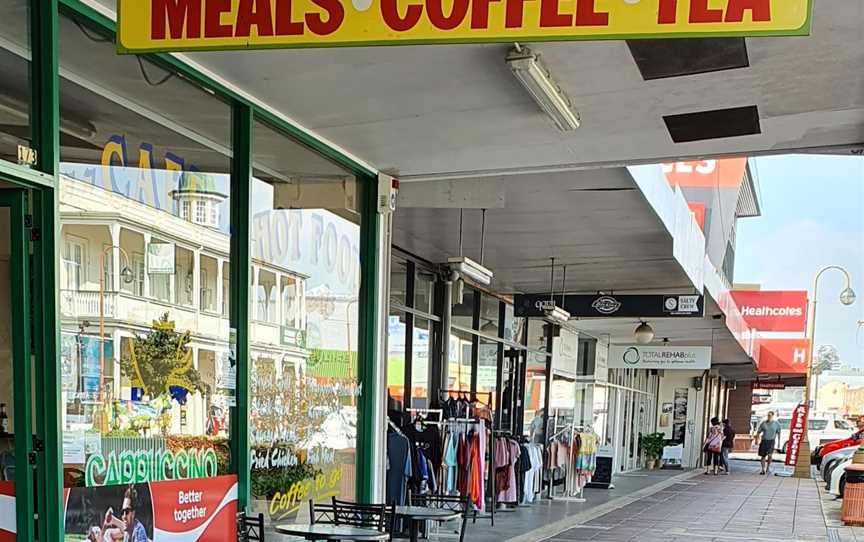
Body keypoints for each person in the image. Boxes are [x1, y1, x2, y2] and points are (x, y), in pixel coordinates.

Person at [755, 411, 782, 475]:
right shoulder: (764, 423)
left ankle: (768, 467)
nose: (769, 416)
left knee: (770, 455)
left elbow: (779, 433)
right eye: (768, 415)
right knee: (763, 456)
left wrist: (779, 443)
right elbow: (758, 432)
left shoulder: (776, 424)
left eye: (770, 415)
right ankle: (763, 469)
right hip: (764, 441)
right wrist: (757, 439)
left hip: (771, 441)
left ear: (773, 416)